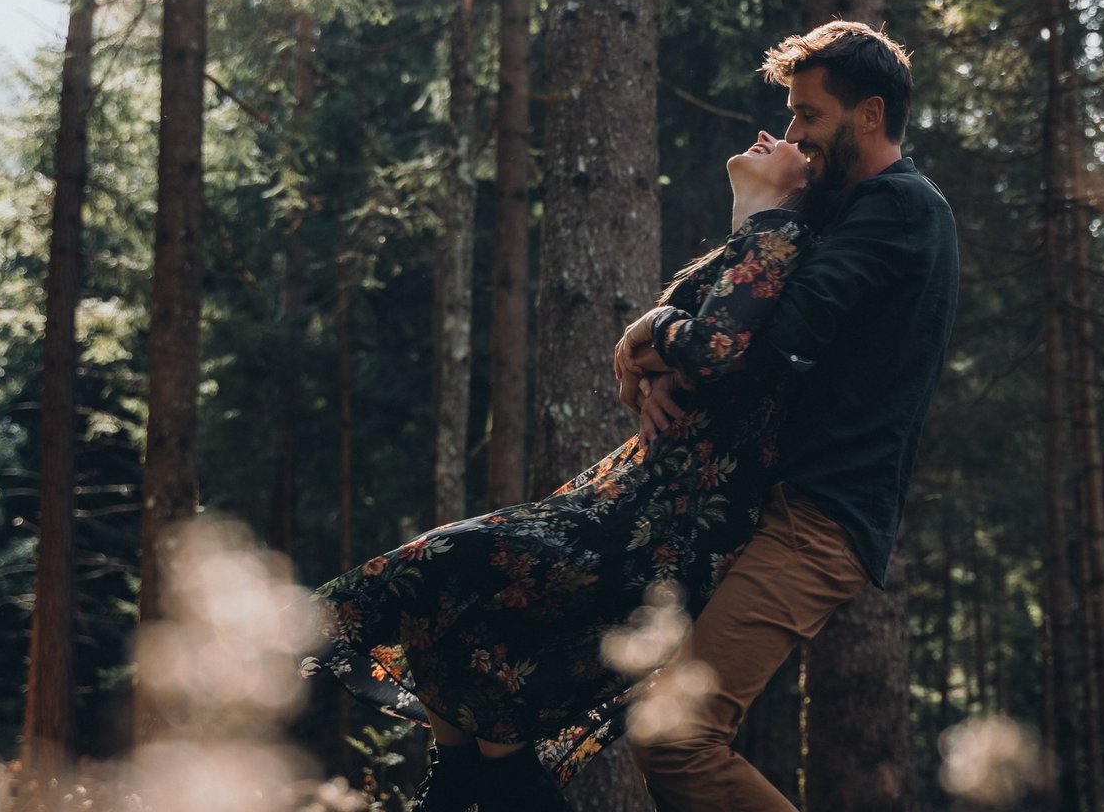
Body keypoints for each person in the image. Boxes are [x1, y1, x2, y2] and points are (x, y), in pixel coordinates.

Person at [305, 131, 830, 812]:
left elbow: (715, 347)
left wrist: (654, 331)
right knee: (455, 612)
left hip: (674, 523)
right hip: (637, 497)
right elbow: (678, 370)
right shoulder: (751, 244)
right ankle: (464, 780)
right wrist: (646, 373)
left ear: (809, 177)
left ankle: (469, 781)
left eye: (794, 138)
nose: (771, 135)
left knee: (442, 564)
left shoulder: (783, 233)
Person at [621, 21, 959, 812]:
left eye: (809, 116)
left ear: (869, 115)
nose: (795, 136)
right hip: (762, 507)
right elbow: (716, 319)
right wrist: (648, 359)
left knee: (675, 737)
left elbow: (768, 345)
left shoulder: (898, 209)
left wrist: (655, 339)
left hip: (820, 522)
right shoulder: (839, 209)